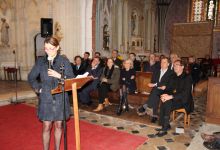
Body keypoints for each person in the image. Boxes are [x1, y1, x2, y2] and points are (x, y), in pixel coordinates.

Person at [28, 37, 74, 150]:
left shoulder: (64, 61)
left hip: (60, 98)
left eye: (51, 48)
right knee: (46, 126)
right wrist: (38, 89)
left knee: (59, 125)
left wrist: (59, 75)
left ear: (57, 48)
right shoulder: (41, 61)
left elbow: (71, 78)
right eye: (46, 48)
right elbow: (31, 77)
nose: (48, 51)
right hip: (46, 99)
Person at [155, 59, 193, 137]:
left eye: (177, 65)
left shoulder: (187, 77)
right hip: (174, 98)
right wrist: (164, 95)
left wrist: (170, 96)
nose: (174, 67)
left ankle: (165, 127)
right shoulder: (173, 76)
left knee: (167, 102)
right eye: (174, 65)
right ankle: (165, 125)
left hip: (184, 100)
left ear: (182, 67)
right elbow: (168, 88)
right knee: (165, 100)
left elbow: (185, 93)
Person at [137, 57, 173, 123]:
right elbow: (153, 81)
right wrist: (153, 84)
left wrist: (155, 84)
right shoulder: (157, 71)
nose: (162, 64)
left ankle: (145, 106)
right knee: (155, 93)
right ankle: (154, 115)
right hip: (157, 90)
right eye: (161, 62)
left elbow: (166, 83)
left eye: (164, 62)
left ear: (168, 64)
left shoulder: (171, 72)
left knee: (155, 92)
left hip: (166, 90)